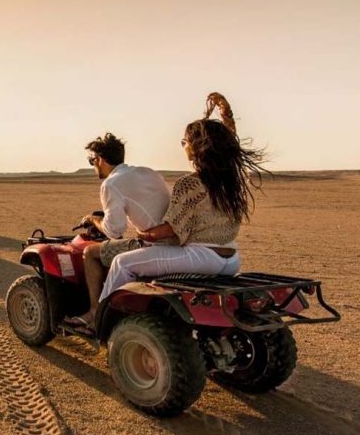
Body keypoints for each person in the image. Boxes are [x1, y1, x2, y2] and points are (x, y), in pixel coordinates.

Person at [98, 92, 268, 304]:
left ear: (197, 146)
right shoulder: (230, 179)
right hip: (231, 259)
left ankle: (99, 316)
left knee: (122, 263)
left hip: (200, 258)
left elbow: (171, 230)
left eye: (184, 142)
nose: (183, 146)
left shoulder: (189, 183)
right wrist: (227, 114)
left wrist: (144, 234)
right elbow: (229, 142)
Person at [64, 133, 171, 328]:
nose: (93, 165)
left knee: (90, 253)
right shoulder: (148, 172)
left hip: (154, 243)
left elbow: (114, 230)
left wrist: (94, 220)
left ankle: (94, 313)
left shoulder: (111, 183)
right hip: (174, 239)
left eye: (92, 161)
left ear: (100, 159)